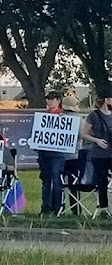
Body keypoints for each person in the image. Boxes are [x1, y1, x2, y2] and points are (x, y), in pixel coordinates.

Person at [82, 90, 112, 218]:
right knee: (102, 181)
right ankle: (104, 208)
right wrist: (97, 141)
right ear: (106, 100)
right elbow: (84, 133)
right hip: (99, 154)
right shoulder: (94, 116)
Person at [38, 90, 66, 216]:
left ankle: (57, 208)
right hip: (44, 153)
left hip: (58, 155)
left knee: (56, 179)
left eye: (52, 99)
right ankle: (45, 207)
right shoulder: (43, 117)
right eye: (48, 99)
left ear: (58, 101)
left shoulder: (63, 117)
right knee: (45, 181)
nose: (49, 101)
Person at [60, 94, 85, 215]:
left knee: (60, 183)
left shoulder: (58, 118)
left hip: (60, 157)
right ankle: (76, 210)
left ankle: (60, 208)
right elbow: (82, 136)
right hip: (75, 156)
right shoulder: (80, 120)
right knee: (74, 184)